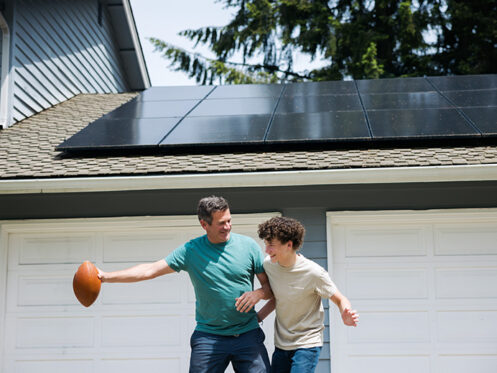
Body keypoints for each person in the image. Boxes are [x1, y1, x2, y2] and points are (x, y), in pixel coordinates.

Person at [97, 196, 272, 373]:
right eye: (221, 223)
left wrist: (258, 293)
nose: (227, 227)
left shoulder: (248, 246)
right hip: (209, 337)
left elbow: (269, 288)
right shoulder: (191, 251)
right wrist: (106, 277)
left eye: (229, 220)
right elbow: (150, 270)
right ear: (204, 225)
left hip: (247, 336)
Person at [256, 216, 359, 373]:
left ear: (289, 245)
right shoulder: (269, 266)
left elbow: (340, 298)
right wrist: (256, 319)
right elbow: (277, 298)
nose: (267, 250)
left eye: (271, 245)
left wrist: (345, 312)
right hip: (281, 343)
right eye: (266, 245)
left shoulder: (313, 272)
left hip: (307, 343)